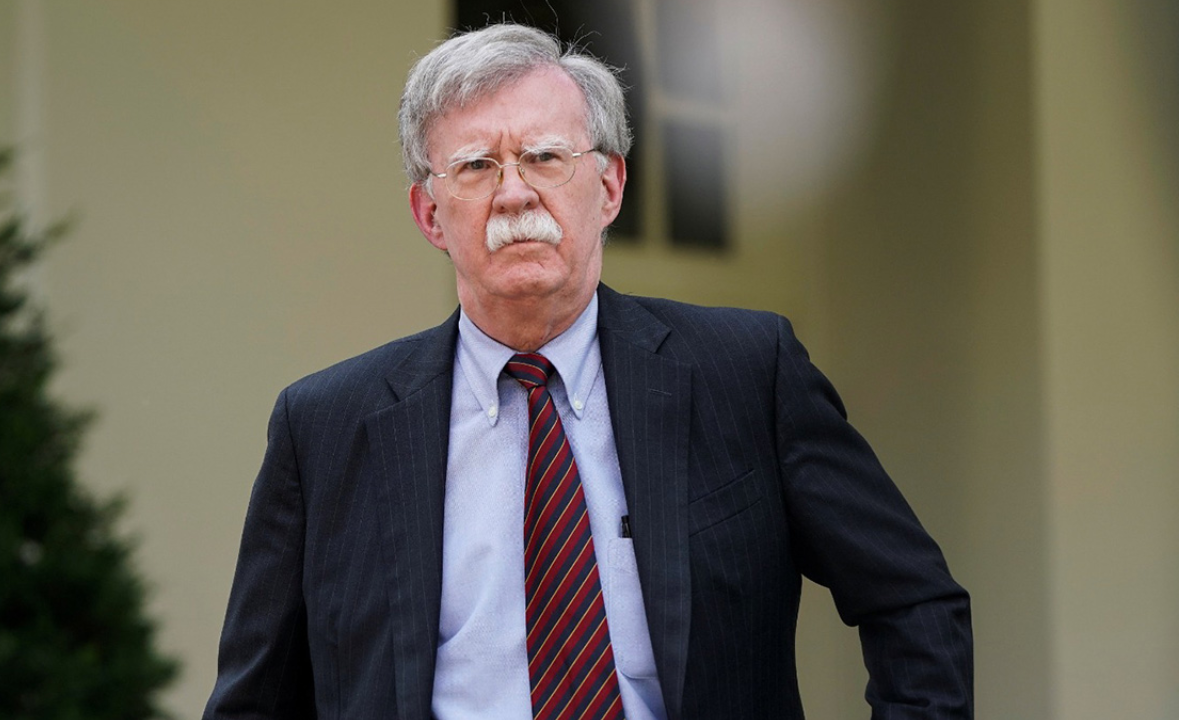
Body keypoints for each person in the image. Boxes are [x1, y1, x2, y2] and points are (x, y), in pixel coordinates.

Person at [203, 23, 972, 720]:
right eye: (475, 166)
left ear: (608, 187)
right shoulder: (325, 426)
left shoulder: (746, 373)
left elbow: (913, 601)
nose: (514, 192)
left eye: (544, 156)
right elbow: (254, 700)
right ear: (429, 214)